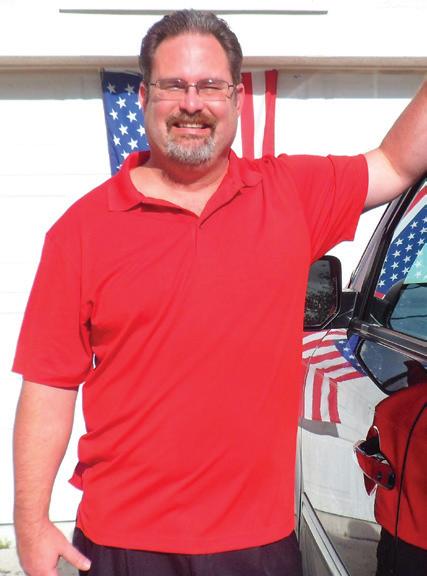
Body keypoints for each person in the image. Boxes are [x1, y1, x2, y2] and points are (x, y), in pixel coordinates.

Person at [12, 9, 427, 576]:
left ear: (235, 98)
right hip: (122, 541)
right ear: (144, 96)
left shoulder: (289, 195)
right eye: (173, 85)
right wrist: (31, 521)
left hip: (256, 544)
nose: (192, 103)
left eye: (210, 85)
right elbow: (49, 384)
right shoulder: (80, 232)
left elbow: (397, 162)